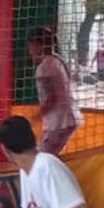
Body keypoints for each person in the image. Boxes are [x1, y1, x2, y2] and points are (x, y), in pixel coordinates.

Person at [27, 27, 80, 155]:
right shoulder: (58, 60)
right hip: (69, 117)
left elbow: (52, 98)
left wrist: (35, 117)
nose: (30, 50)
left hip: (58, 122)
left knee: (42, 158)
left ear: (37, 45)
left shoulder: (44, 67)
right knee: (47, 156)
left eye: (30, 46)